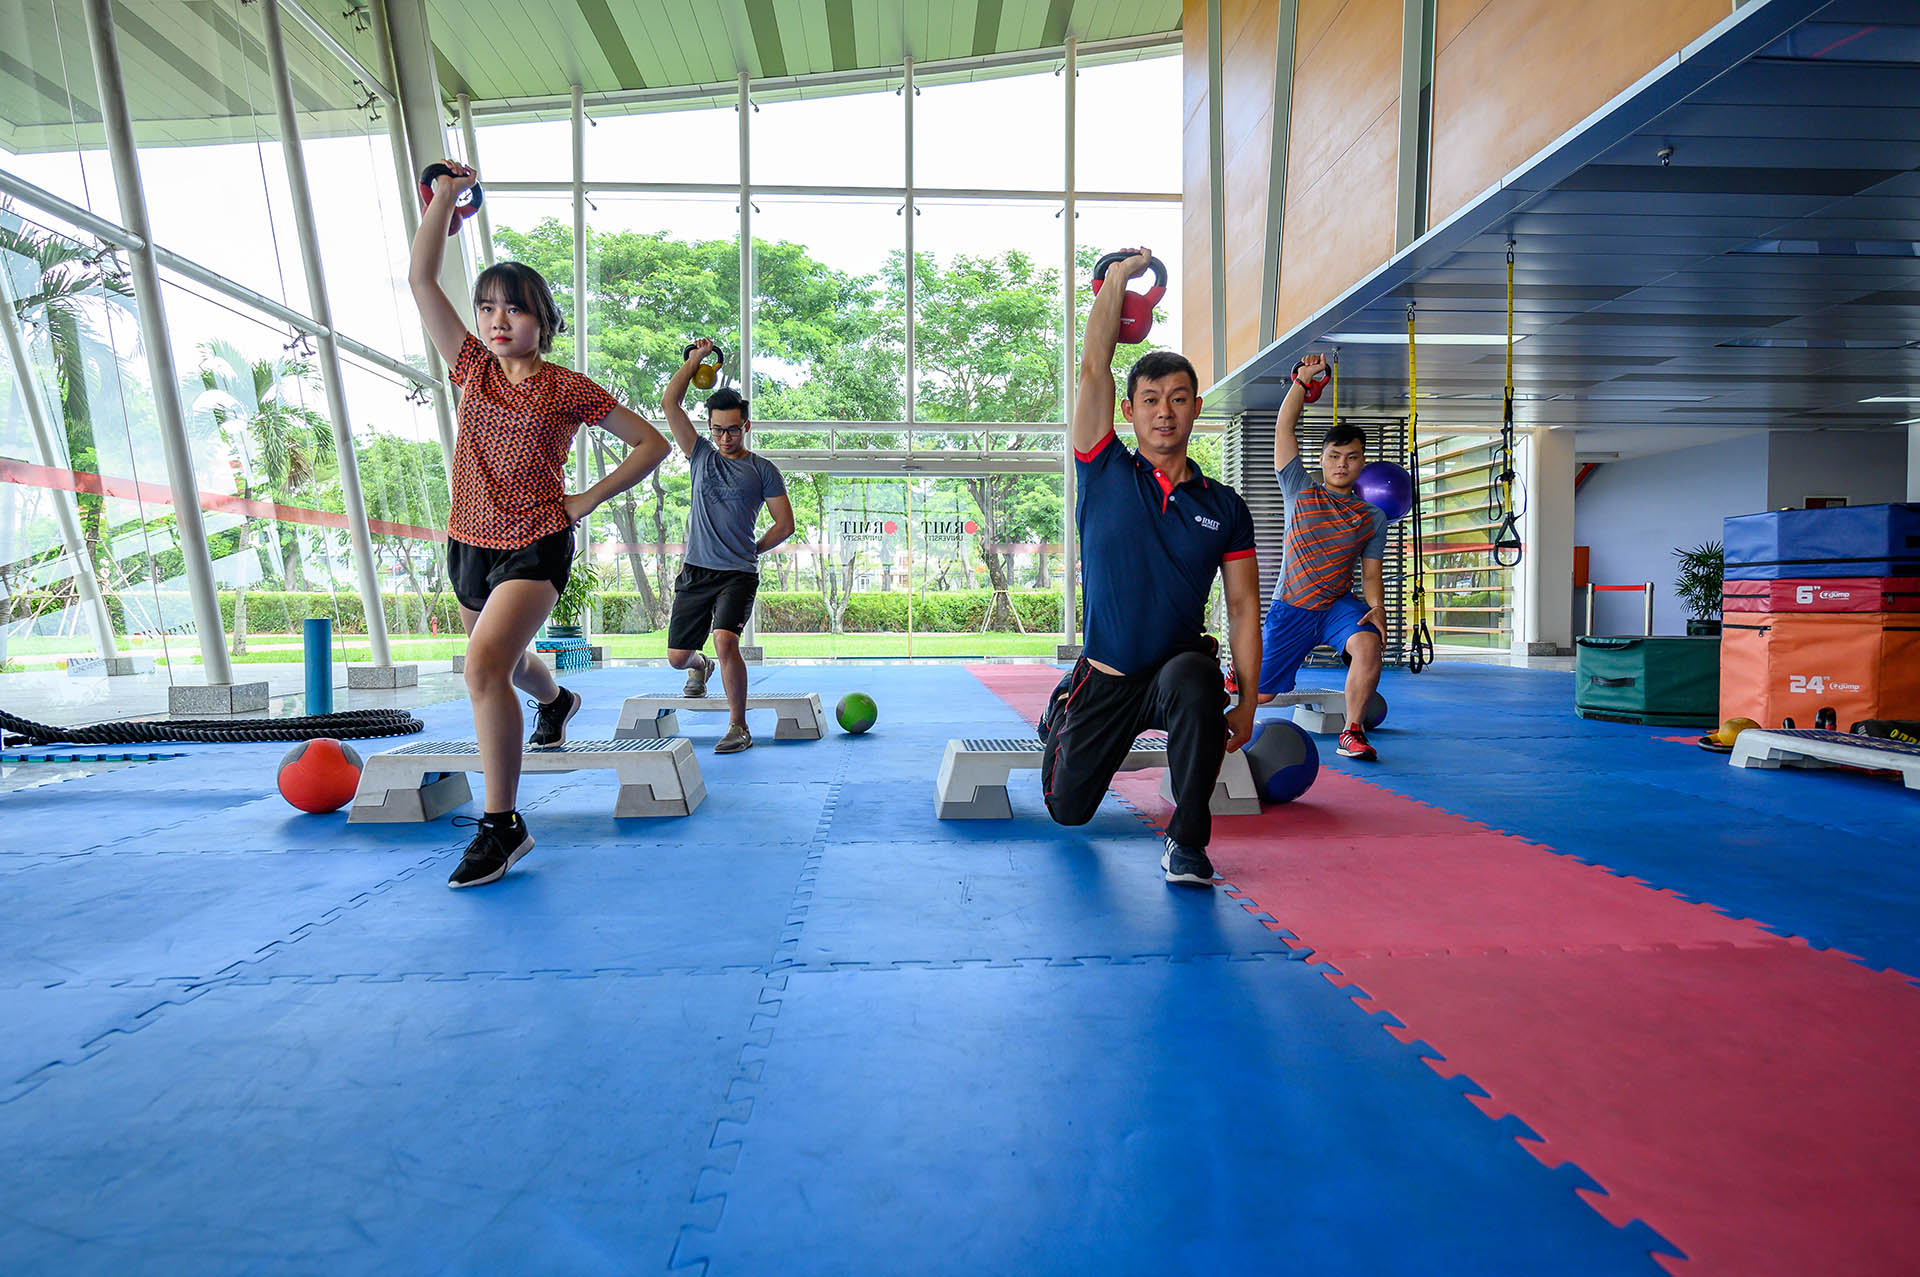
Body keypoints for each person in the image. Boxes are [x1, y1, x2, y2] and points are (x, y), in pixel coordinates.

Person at [410, 160, 671, 888]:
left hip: (534, 542)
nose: (497, 319)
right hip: (469, 540)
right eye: (489, 306)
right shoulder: (472, 368)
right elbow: (422, 281)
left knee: (483, 667)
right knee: (511, 666)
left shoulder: (566, 387)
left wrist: (585, 498)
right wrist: (442, 202)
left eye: (515, 309)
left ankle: (503, 825)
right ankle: (557, 699)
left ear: (543, 322)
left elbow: (651, 442)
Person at [1040, 248, 1262, 888]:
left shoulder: (1225, 508)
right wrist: (1117, 280)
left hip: (1175, 669)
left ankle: (1187, 843)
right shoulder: (1103, 468)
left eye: (1179, 398)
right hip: (1107, 676)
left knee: (1197, 681)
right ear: (1131, 411)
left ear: (1196, 409)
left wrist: (1246, 701)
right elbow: (1092, 365)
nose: (1165, 410)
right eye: (1150, 399)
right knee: (1069, 811)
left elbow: (1244, 608)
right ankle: (1063, 711)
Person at [659, 339, 795, 753]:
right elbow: (670, 403)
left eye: (732, 429)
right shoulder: (700, 454)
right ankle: (702, 668)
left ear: (746, 426)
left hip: (737, 573)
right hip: (696, 570)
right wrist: (696, 361)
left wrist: (753, 548)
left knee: (725, 638)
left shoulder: (762, 470)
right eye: (717, 429)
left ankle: (738, 726)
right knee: (678, 657)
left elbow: (785, 524)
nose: (724, 436)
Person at [1251, 351, 1387, 761]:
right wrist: (1301, 382)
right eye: (1334, 456)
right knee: (1262, 693)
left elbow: (1371, 572)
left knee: (1368, 644)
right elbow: (1283, 428)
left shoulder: (1372, 516)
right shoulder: (1300, 488)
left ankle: (1352, 730)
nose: (1342, 464)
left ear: (1362, 462)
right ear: (1323, 459)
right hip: (1291, 606)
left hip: (1335, 606)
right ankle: (1236, 679)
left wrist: (1377, 608)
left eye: (1352, 457)